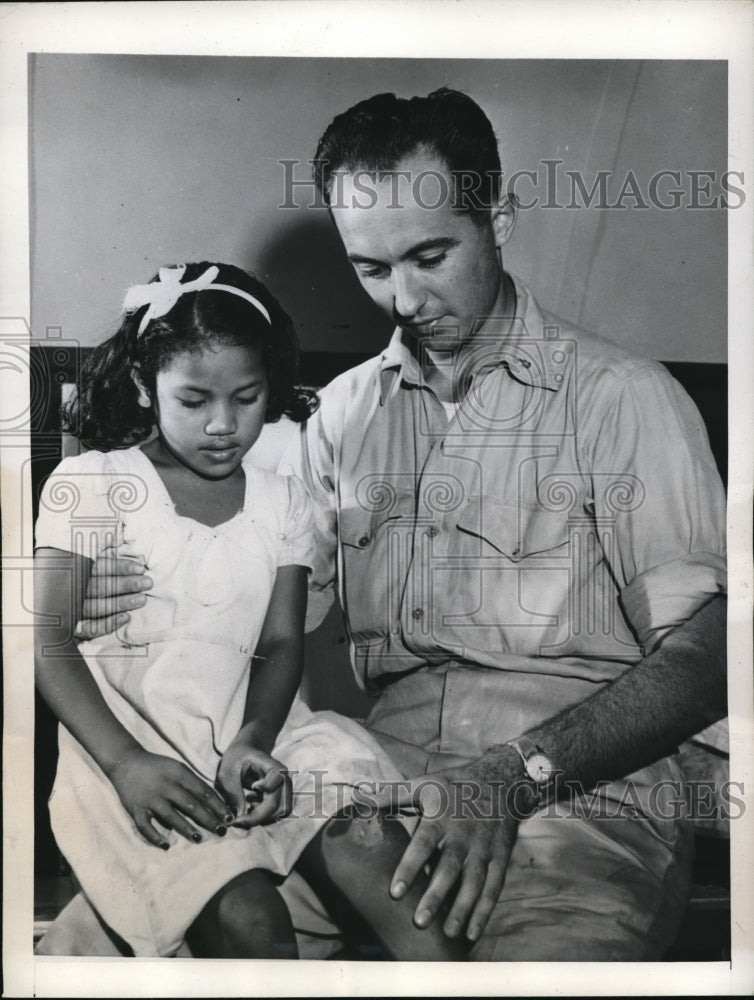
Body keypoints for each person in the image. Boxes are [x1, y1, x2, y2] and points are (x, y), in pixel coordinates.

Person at [63, 89, 727, 961]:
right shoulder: (337, 418)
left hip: (575, 799)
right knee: (88, 947)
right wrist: (119, 601)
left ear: (499, 219)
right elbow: (261, 617)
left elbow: (706, 658)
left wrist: (515, 773)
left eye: (430, 256)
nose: (403, 299)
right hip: (370, 782)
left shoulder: (624, 399)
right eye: (371, 268)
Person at [33, 260, 466, 961]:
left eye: (247, 397)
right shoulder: (91, 483)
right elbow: (45, 642)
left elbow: (282, 643)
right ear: (144, 385)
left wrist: (254, 739)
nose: (223, 425)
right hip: (134, 749)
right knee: (250, 918)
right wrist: (127, 763)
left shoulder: (282, 500)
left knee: (380, 858)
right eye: (194, 400)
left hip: (264, 734)